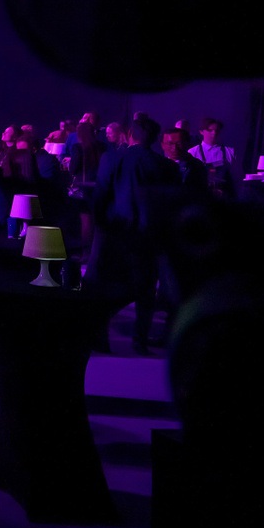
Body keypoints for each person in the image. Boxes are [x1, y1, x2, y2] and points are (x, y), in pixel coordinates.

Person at [88, 117, 172, 354]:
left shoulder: (112, 158)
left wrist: (101, 227)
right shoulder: (165, 166)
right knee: (145, 291)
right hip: (148, 235)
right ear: (155, 138)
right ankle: (140, 342)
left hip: (115, 232)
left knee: (104, 287)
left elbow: (101, 196)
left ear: (129, 135)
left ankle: (100, 339)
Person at [190, 117, 239, 197]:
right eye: (210, 130)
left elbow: (236, 177)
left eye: (217, 130)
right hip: (201, 196)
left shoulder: (230, 152)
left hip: (225, 197)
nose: (214, 133)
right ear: (201, 132)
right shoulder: (192, 152)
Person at [161, 126, 212, 202]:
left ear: (187, 143)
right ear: (162, 145)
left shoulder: (197, 166)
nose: (175, 148)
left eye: (179, 143)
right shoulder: (158, 165)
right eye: (170, 144)